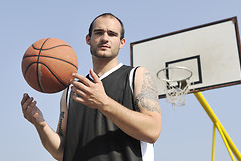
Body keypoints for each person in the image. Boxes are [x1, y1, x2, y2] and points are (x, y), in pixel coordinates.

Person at [21, 13, 162, 161]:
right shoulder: (71, 90)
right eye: (99, 32)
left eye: (112, 34)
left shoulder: (136, 76)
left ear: (122, 42)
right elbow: (62, 152)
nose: (105, 38)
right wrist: (40, 125)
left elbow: (152, 131)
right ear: (88, 39)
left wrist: (104, 103)